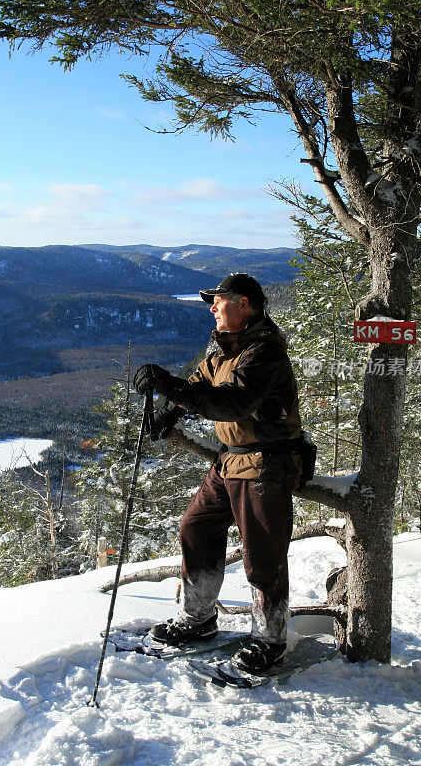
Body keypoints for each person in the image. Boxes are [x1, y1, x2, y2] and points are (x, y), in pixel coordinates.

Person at [133, 273, 301, 673]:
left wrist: (170, 389)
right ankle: (199, 618)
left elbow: (234, 402)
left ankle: (269, 639)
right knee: (196, 527)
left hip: (266, 462)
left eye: (219, 301)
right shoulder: (227, 350)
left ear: (244, 304)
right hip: (232, 460)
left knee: (262, 553)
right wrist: (169, 411)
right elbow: (200, 382)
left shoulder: (264, 352)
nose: (212, 308)